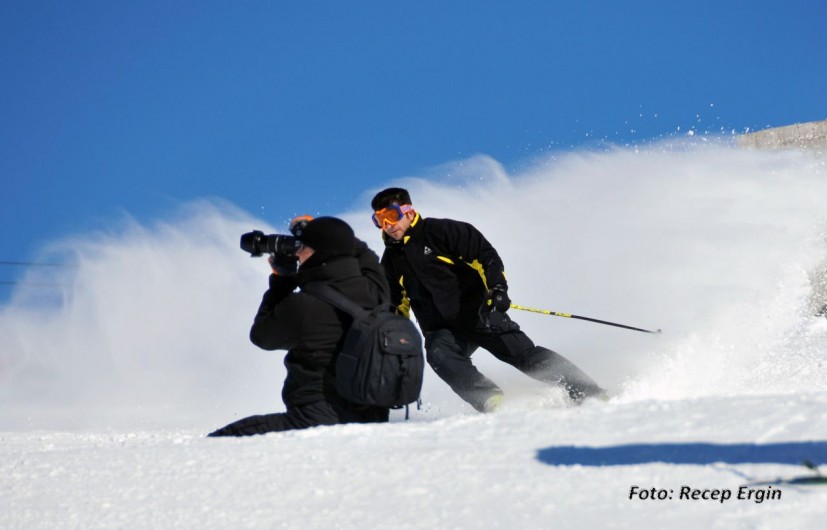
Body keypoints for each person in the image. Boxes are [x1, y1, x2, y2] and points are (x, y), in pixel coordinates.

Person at [370, 187, 606, 413]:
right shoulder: (391, 261)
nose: (388, 226)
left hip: (480, 313)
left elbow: (484, 256)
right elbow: (394, 303)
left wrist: (498, 290)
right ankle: (492, 401)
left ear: (409, 211)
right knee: (439, 354)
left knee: (525, 355)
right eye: (380, 220)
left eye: (392, 215)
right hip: (442, 329)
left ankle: (589, 392)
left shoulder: (442, 232)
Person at [209, 216, 391, 437]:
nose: (297, 252)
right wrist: (325, 230)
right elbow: (364, 254)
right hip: (373, 415)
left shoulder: (303, 306)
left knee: (218, 442)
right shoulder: (377, 291)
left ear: (318, 253)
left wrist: (282, 280)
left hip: (318, 417)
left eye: (303, 247)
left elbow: (261, 336)